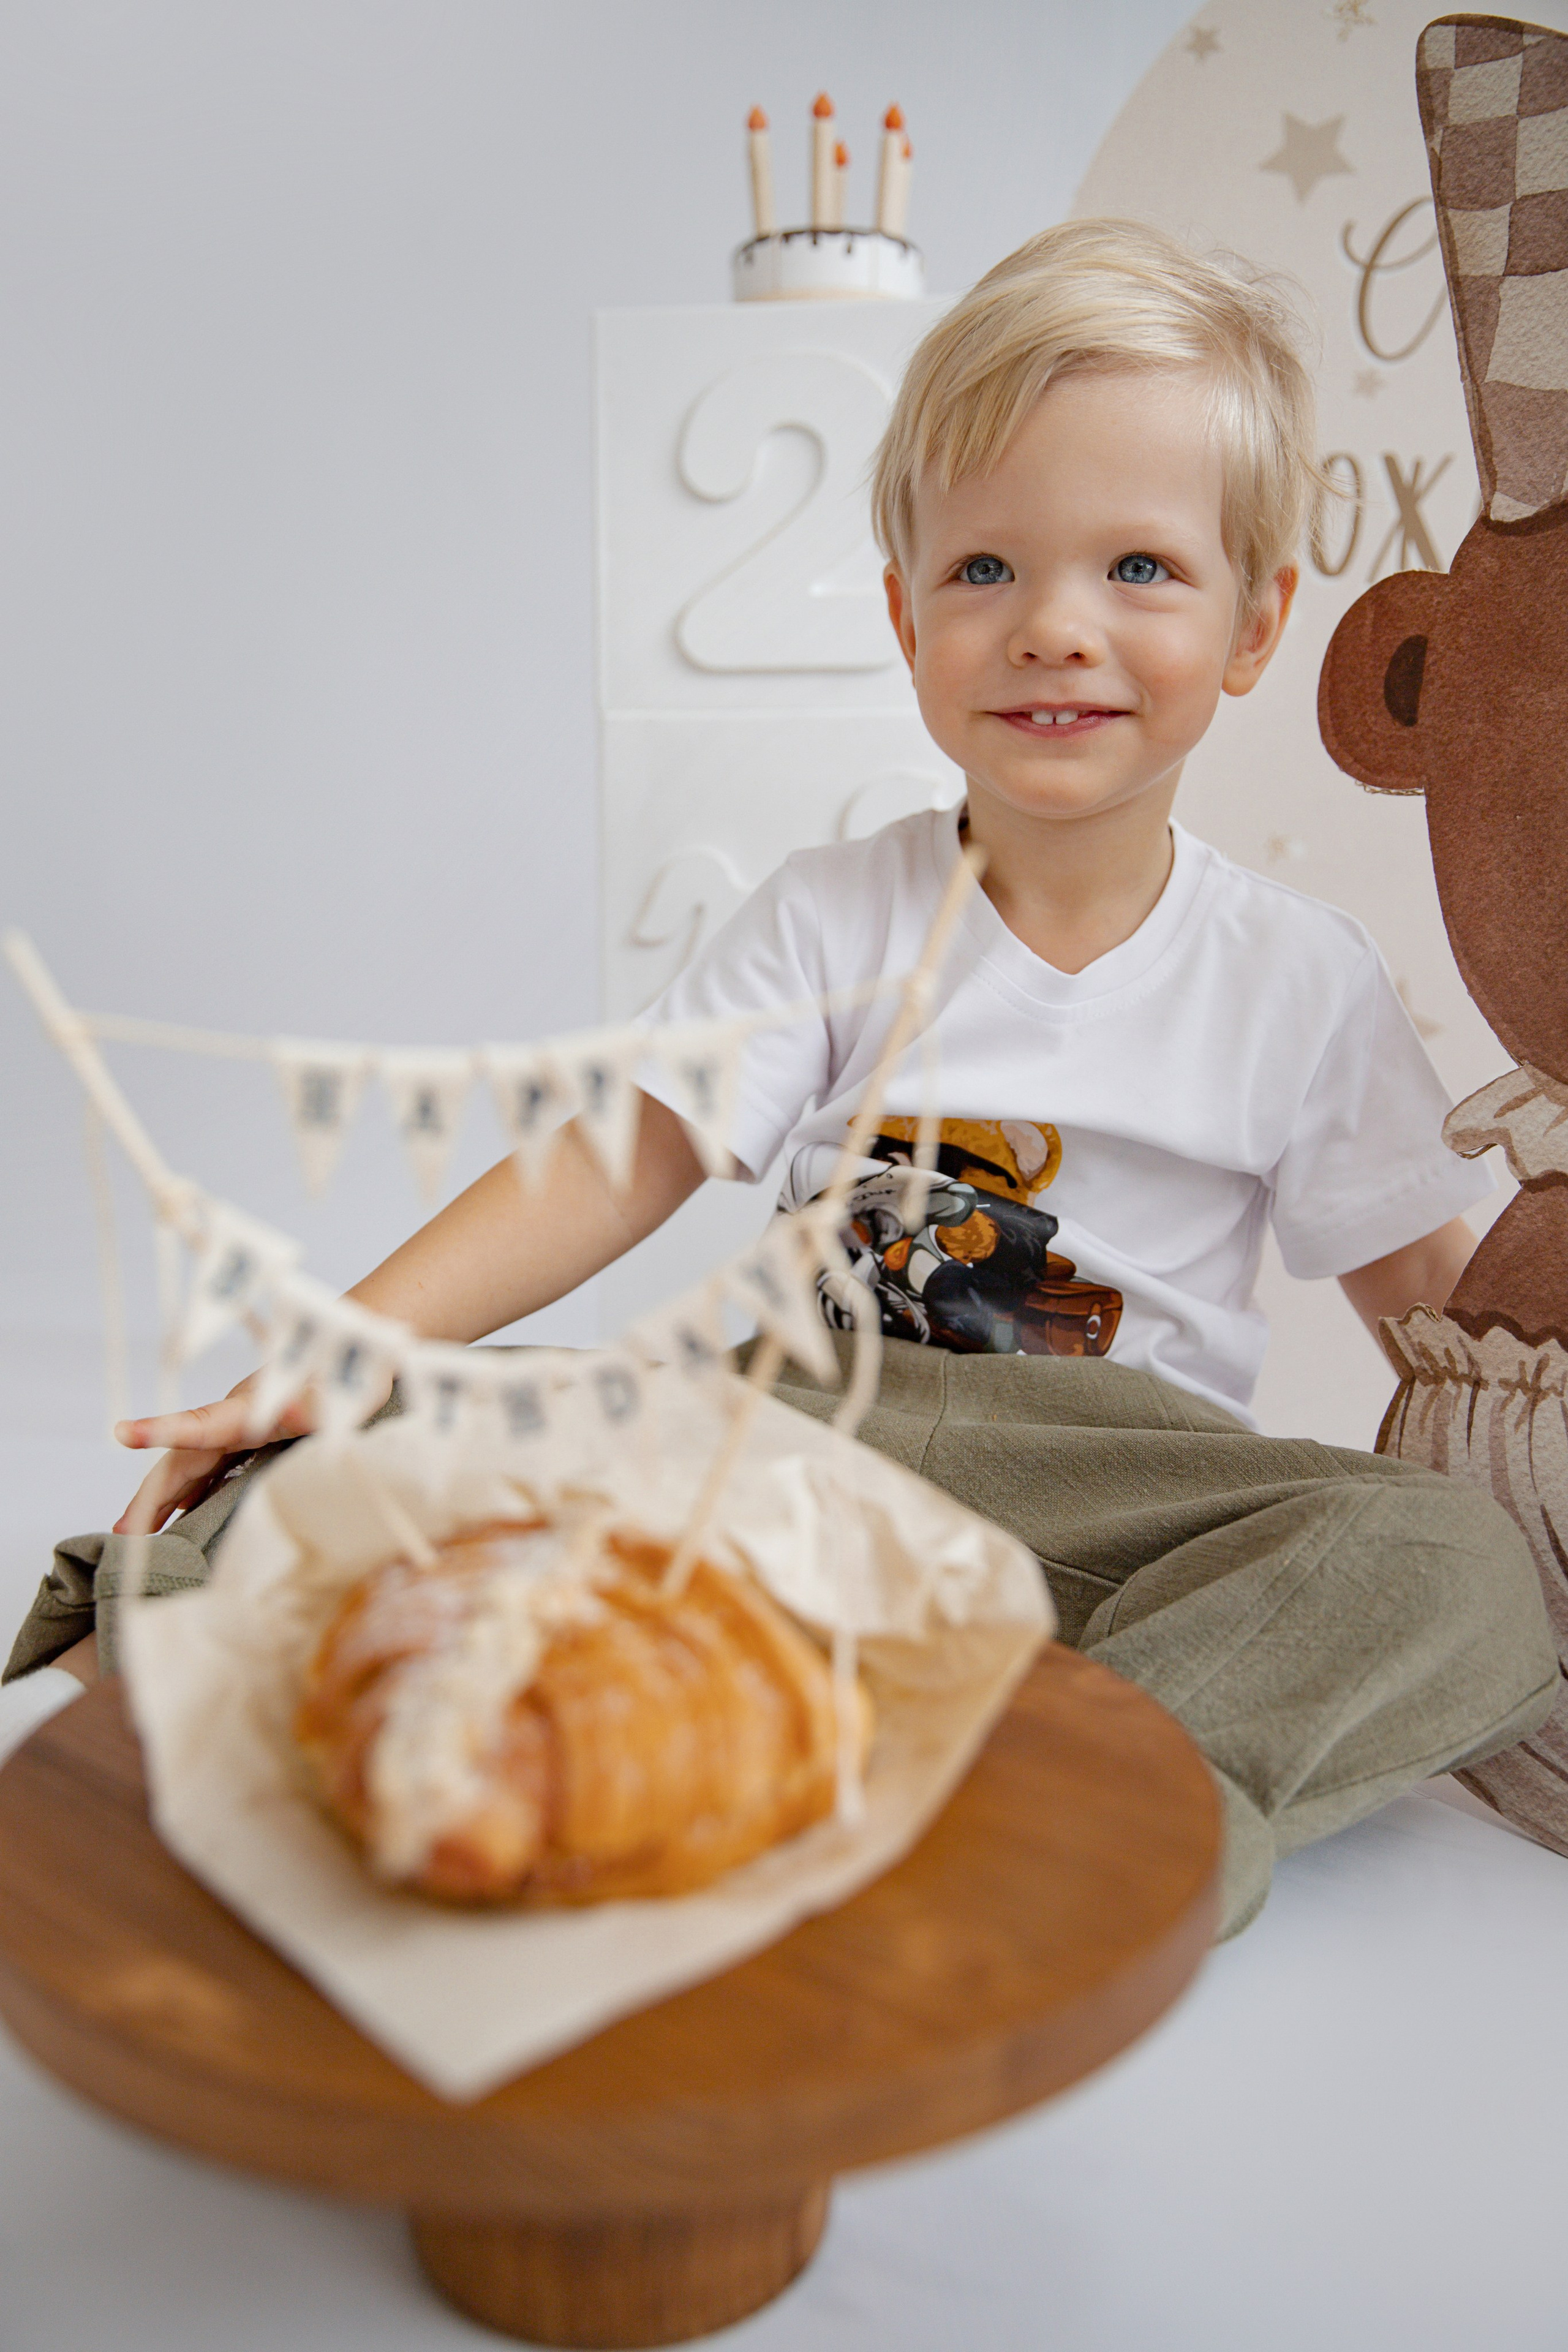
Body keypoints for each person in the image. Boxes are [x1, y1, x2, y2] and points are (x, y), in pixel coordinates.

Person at [32, 221, 1558, 1936]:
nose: (1057, 628)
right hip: (792, 1431)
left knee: (1465, 1565)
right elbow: (623, 1157)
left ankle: (1095, 1809)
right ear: (909, 619)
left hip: (1108, 1497)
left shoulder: (1300, 976)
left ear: (1259, 621)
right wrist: (341, 1353)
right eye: (987, 572)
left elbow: (1437, 1318)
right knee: (395, 1427)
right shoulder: (842, 910)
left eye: (1139, 569)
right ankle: (224, 1657)